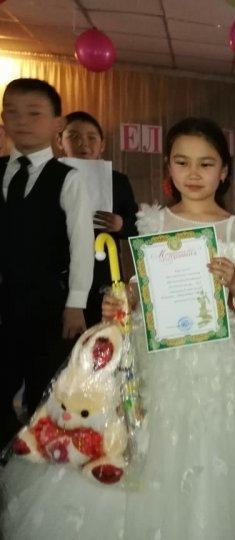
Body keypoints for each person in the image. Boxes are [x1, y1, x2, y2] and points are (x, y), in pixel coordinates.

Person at [0, 117, 235, 539]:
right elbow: (139, 287)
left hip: (217, 359)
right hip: (155, 350)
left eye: (206, 164)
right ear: (168, 167)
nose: (193, 174)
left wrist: (234, 280)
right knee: (144, 437)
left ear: (224, 171)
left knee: (209, 446)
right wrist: (122, 299)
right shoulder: (154, 222)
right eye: (182, 162)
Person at [0, 78, 94, 449]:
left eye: (34, 113)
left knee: (45, 388)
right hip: (4, 301)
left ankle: (38, 456)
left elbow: (82, 244)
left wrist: (76, 303)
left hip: (48, 304)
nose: (21, 121)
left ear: (58, 123)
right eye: (12, 113)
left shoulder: (68, 179)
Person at [59, 110, 139, 326]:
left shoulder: (117, 181)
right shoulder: (51, 178)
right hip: (61, 275)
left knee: (105, 332)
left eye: (91, 137)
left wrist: (120, 224)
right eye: (73, 136)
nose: (83, 143)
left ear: (102, 145)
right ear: (60, 142)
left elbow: (137, 226)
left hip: (104, 272)